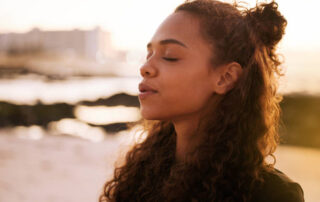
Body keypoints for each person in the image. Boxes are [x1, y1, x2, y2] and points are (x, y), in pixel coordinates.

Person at [99, 0, 305, 201]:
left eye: (170, 56)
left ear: (225, 78)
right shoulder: (141, 175)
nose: (145, 68)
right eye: (149, 54)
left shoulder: (274, 195)